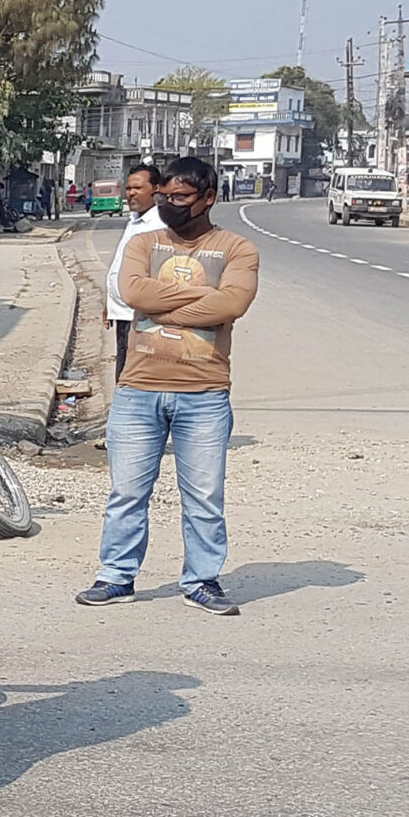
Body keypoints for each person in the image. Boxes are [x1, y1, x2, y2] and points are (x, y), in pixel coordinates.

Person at [77, 156, 259, 616]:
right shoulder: (145, 242)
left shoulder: (238, 249)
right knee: (127, 492)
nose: (169, 205)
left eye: (179, 198)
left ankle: (202, 580)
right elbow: (133, 294)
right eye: (164, 196)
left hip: (204, 392)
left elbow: (233, 303)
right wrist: (205, 301)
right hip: (139, 388)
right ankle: (116, 575)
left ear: (208, 199)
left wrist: (164, 309)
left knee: (203, 496)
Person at [105, 163, 164, 378]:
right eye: (128, 189)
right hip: (123, 314)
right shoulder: (135, 220)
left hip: (141, 318)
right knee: (123, 368)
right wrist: (109, 303)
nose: (131, 194)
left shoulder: (159, 225)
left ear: (155, 190)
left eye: (137, 188)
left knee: (134, 374)